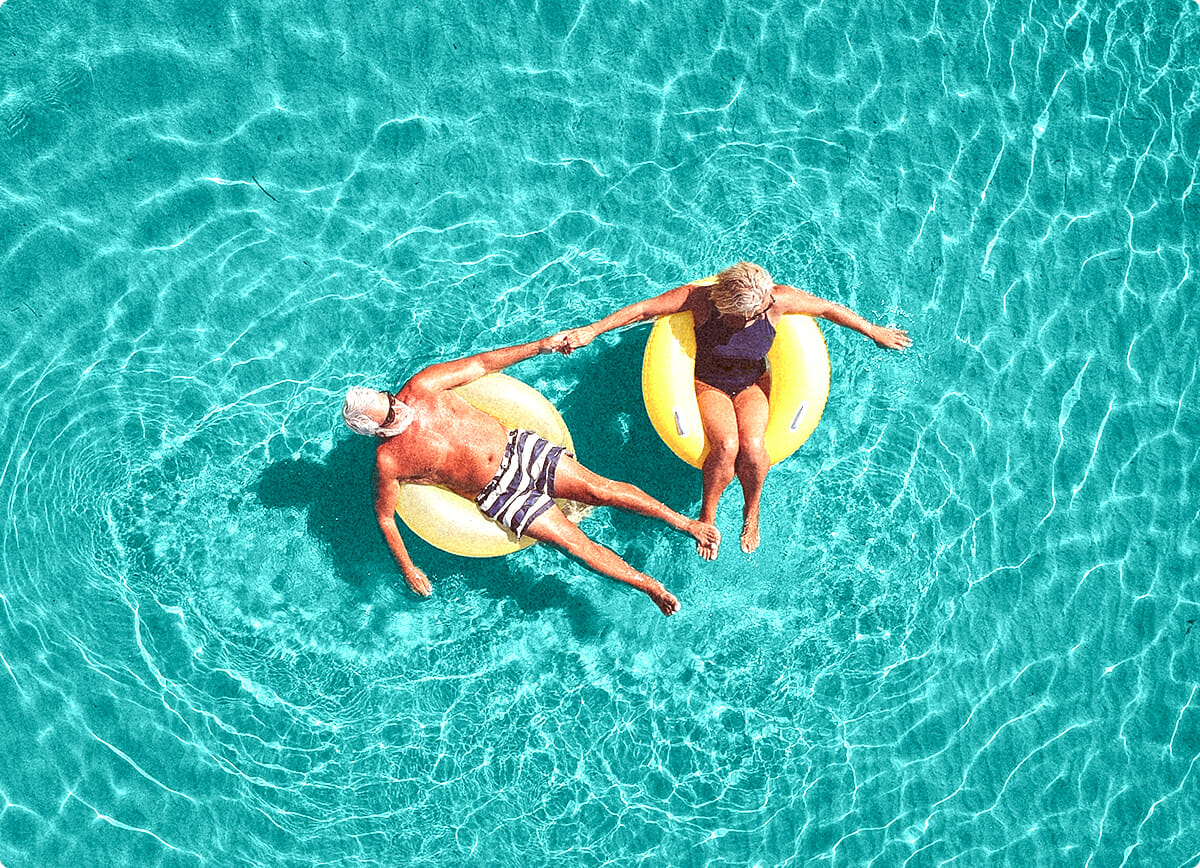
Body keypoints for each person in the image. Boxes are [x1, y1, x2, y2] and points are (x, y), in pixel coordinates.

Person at [341, 334, 720, 616]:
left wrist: (541, 346)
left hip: (519, 449)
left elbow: (483, 364)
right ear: (375, 431)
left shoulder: (422, 386)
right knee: (572, 545)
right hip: (499, 495)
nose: (400, 410)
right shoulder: (389, 462)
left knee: (598, 490)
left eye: (391, 400)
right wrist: (408, 569)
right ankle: (648, 585)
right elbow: (385, 517)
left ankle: (685, 523)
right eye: (390, 417)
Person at [554, 261, 912, 559]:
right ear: (728, 309)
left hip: (751, 384)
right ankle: (707, 516)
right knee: (726, 445)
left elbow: (826, 308)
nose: (758, 314)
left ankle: (751, 510)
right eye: (749, 314)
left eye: (759, 310)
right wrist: (592, 330)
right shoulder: (701, 300)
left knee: (753, 447)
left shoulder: (775, 301)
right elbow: (645, 309)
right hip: (709, 384)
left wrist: (873, 331)